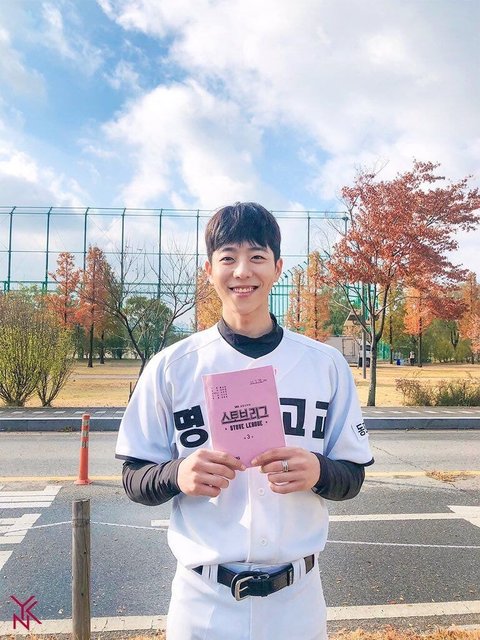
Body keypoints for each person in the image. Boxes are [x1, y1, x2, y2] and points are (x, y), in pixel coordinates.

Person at [115, 202, 374, 640]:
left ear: (277, 268)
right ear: (209, 269)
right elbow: (133, 476)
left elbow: (352, 475)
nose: (242, 271)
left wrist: (319, 471)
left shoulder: (325, 364)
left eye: (256, 256)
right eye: (228, 257)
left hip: (297, 602)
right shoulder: (172, 366)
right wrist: (178, 474)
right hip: (204, 603)